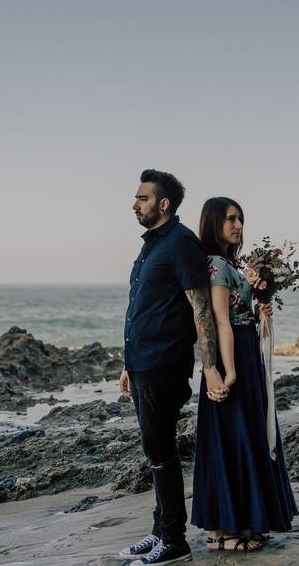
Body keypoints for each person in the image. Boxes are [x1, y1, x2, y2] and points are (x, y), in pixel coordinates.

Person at [117, 170, 227, 566]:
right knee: (154, 451)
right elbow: (141, 307)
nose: (135, 204)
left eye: (142, 198)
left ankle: (175, 541)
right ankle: (160, 530)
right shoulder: (150, 246)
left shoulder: (181, 244)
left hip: (165, 364)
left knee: (160, 451)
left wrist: (209, 366)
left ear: (163, 204)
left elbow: (200, 310)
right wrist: (129, 363)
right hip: (143, 365)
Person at [190, 197, 299, 551]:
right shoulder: (216, 265)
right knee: (231, 436)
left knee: (247, 432)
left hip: (247, 349)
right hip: (232, 352)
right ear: (213, 223)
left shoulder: (232, 264)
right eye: (230, 220)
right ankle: (223, 529)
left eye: (240, 219)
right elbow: (219, 320)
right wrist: (229, 370)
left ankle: (248, 521)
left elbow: (240, 312)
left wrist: (261, 307)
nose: (238, 226)